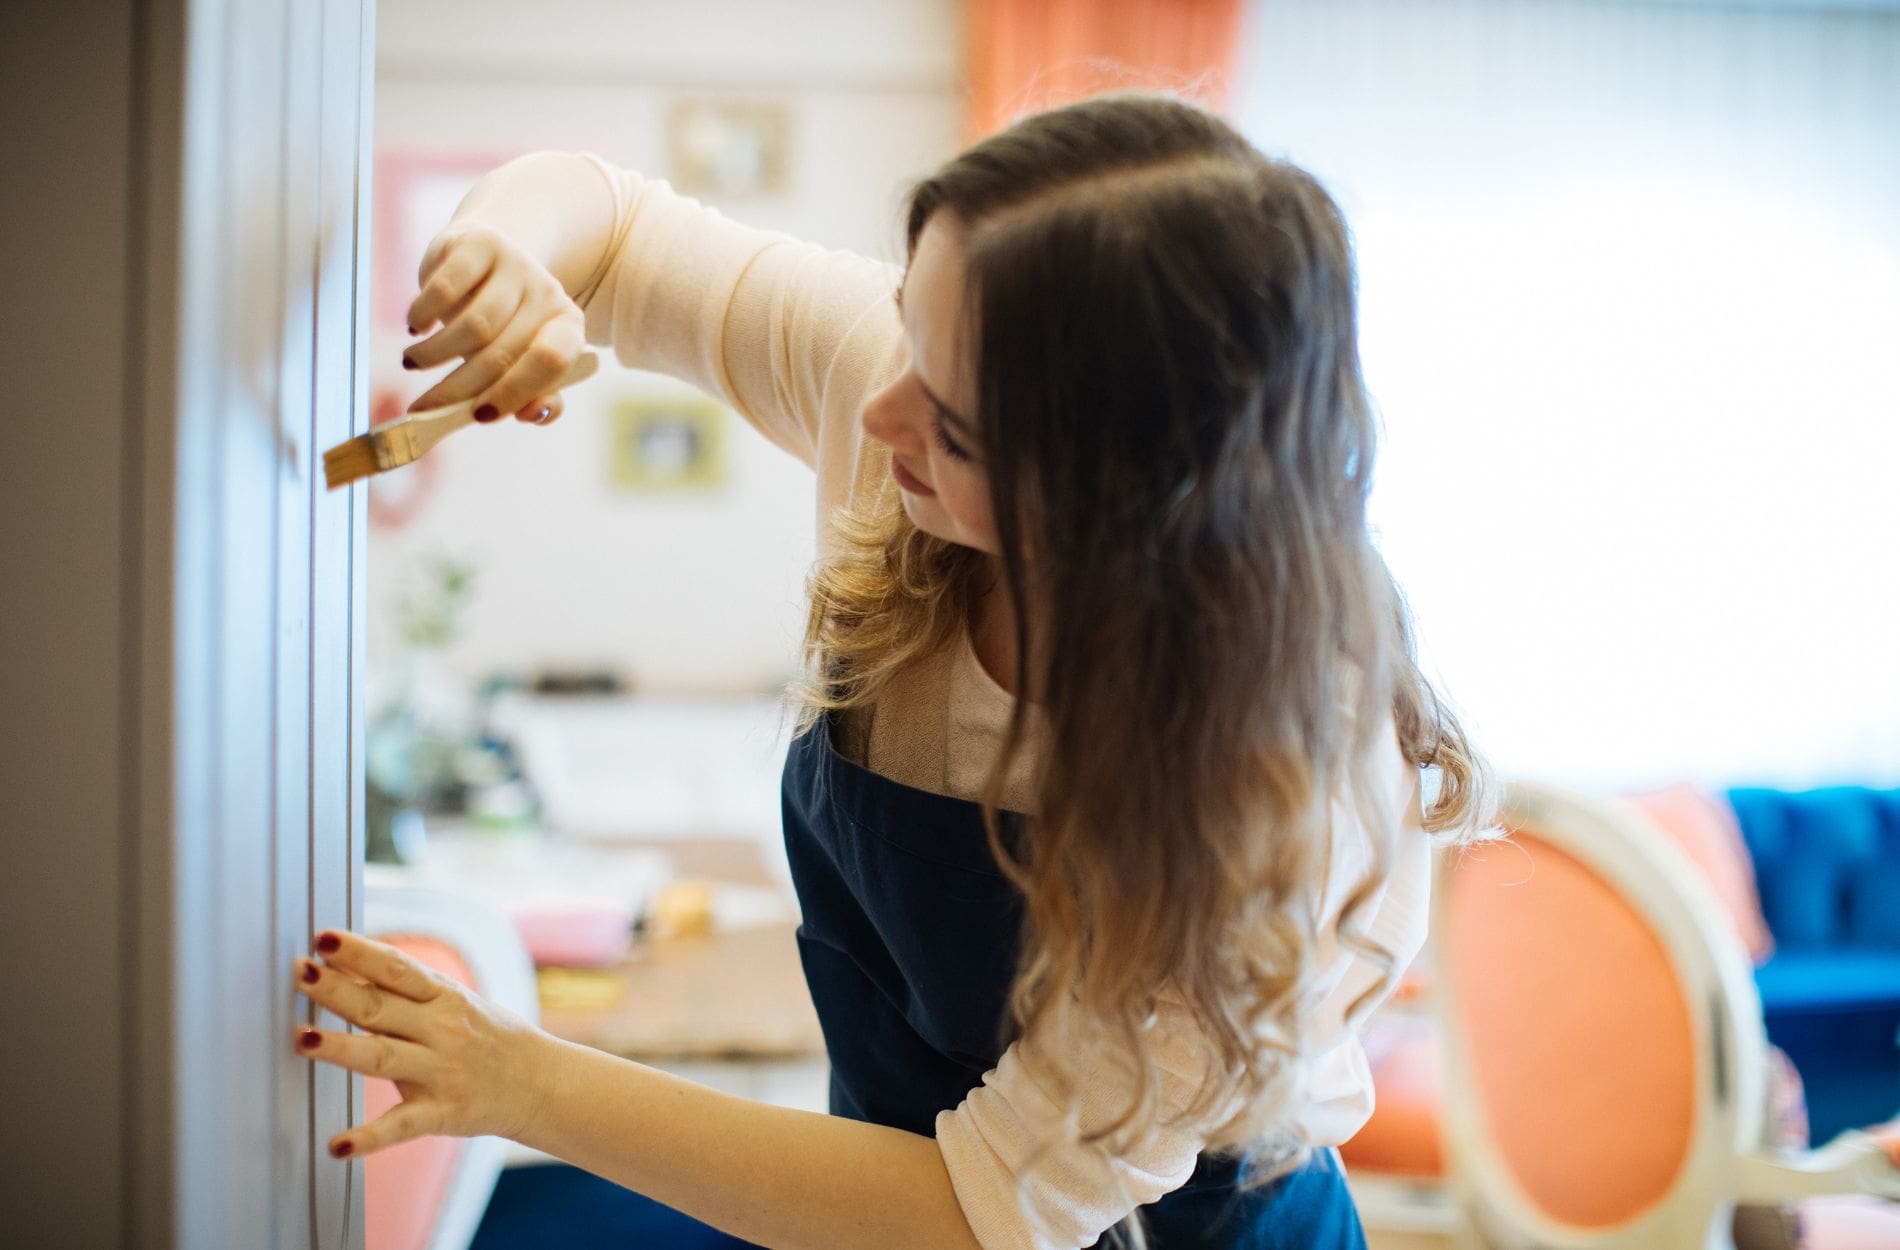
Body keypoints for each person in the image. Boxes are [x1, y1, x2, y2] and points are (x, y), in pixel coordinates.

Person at [293, 91, 1494, 1250]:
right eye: (909, 326)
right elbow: (611, 231)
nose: (876, 410)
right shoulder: (918, 398)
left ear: (1122, 498)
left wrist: (523, 1081)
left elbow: (969, 1216)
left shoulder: (1282, 781)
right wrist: (505, 262)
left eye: (956, 425)